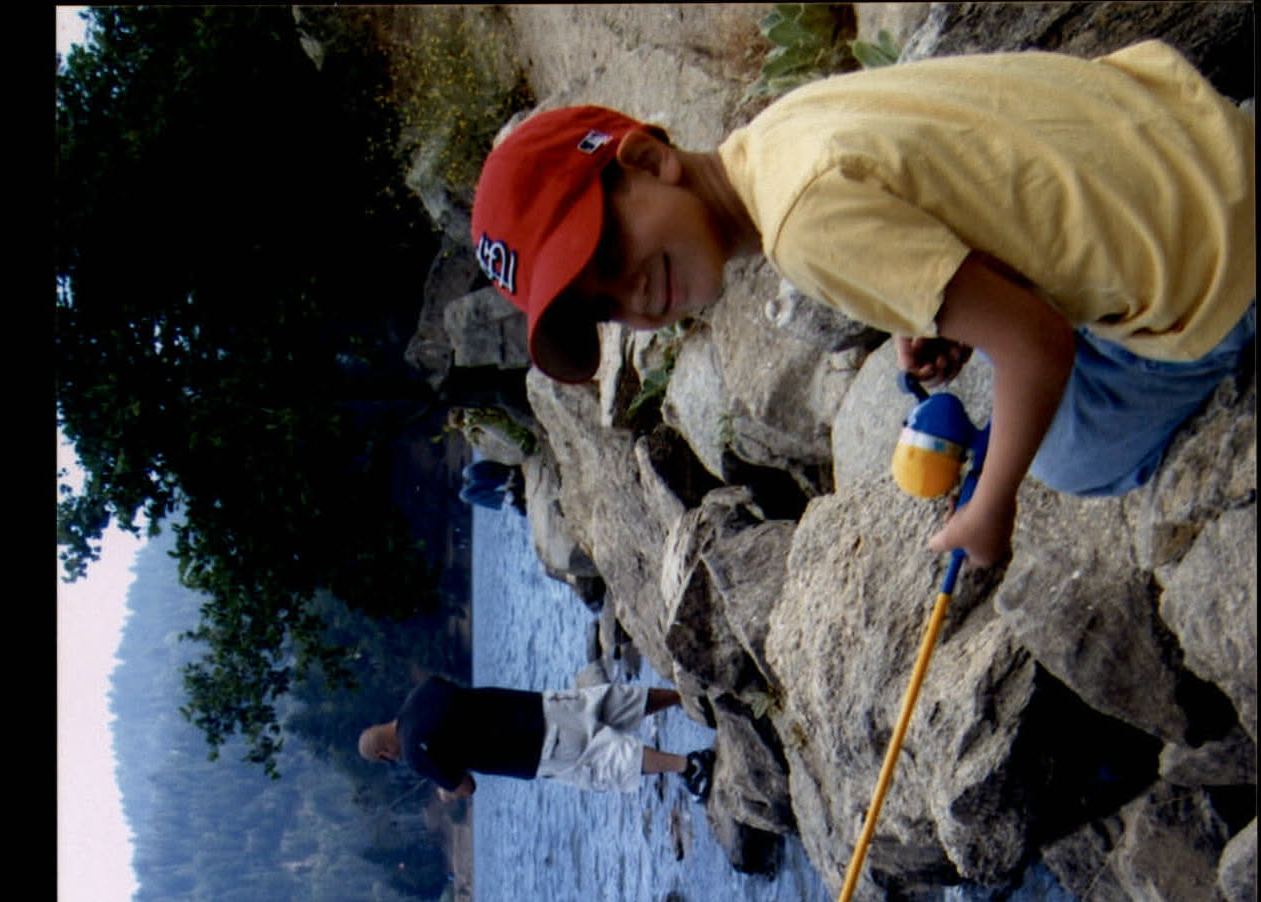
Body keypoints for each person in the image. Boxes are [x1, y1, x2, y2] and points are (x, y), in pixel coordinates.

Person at [470, 43, 1254, 567]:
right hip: (1195, 133)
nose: (633, 295)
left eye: (607, 255)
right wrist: (933, 301)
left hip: (1220, 259)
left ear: (648, 159)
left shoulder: (802, 227)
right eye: (605, 309)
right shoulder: (777, 136)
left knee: (1067, 454)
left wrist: (991, 504)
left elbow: (1038, 344)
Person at [359, 675, 715, 800]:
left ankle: (689, 765)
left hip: (534, 750)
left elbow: (466, 786)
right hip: (540, 705)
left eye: (387, 758)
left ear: (384, 753)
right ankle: (687, 696)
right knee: (613, 703)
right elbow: (457, 708)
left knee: (607, 759)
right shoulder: (423, 691)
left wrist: (447, 791)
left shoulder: (415, 753)